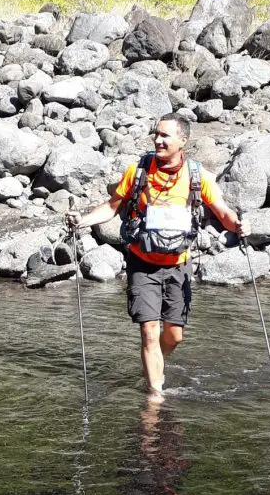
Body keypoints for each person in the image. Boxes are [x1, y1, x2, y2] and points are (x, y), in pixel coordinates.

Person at [66, 113, 248, 400]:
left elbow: (223, 212)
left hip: (178, 265)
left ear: (183, 140)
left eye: (165, 135)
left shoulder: (198, 176)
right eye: (156, 134)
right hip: (142, 263)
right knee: (150, 332)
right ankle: (155, 396)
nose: (158, 139)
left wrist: (238, 225)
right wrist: (83, 221)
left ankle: (153, 365)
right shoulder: (138, 171)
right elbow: (112, 206)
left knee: (174, 336)